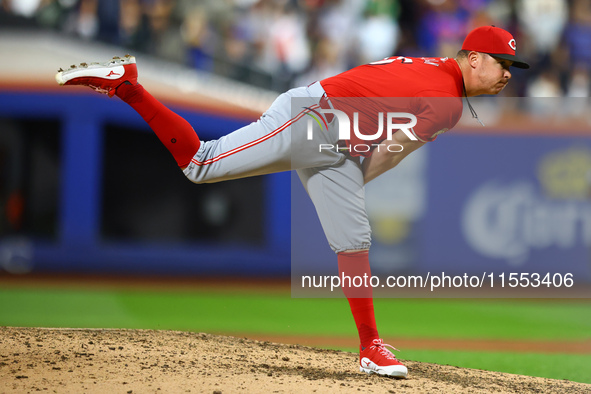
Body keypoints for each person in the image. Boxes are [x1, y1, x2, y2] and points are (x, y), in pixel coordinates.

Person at [55, 25, 529, 379]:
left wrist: (346, 181)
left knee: (354, 239)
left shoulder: (433, 71)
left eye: (512, 67)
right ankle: (127, 85)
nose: (507, 73)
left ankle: (370, 347)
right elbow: (391, 152)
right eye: (501, 63)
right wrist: (354, 178)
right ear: (471, 59)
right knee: (200, 164)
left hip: (336, 140)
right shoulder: (445, 102)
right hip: (313, 120)